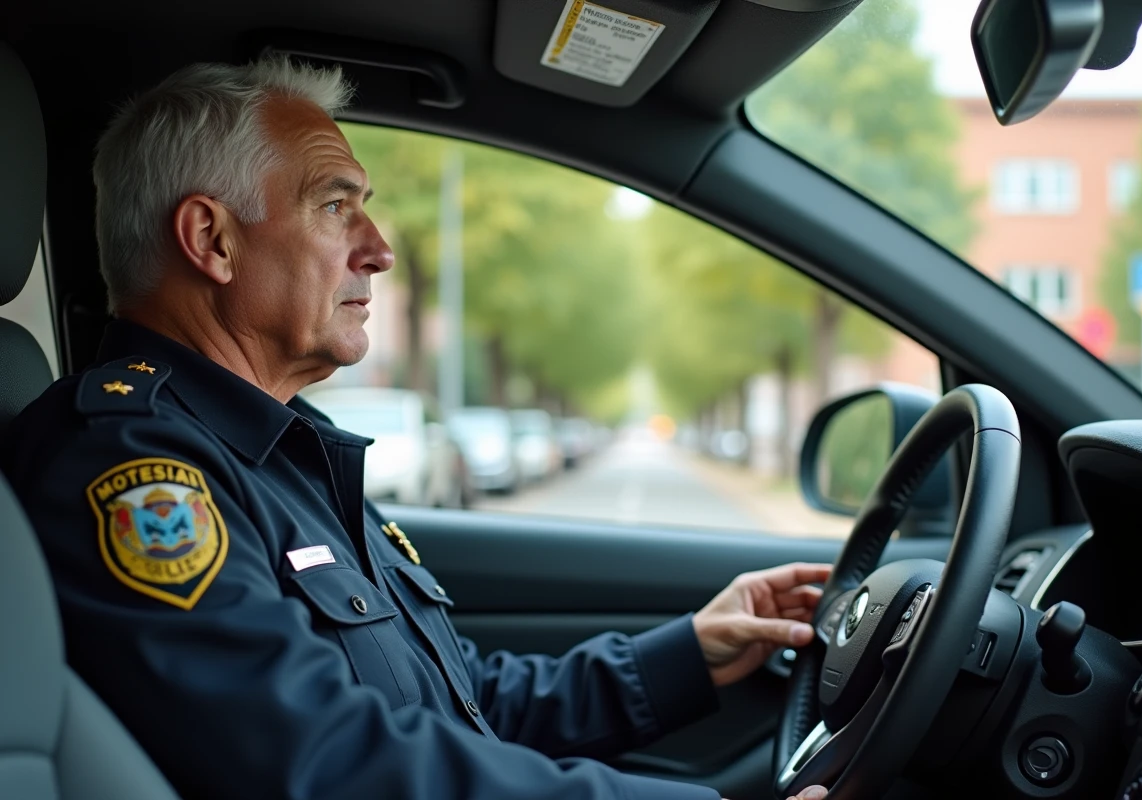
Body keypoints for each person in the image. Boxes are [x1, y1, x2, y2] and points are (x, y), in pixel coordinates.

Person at [2, 56, 831, 800]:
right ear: (211, 240)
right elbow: (323, 760)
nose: (381, 249)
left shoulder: (285, 451)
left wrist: (689, 653)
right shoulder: (126, 463)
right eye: (336, 207)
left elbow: (448, 701)